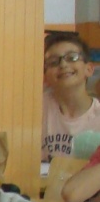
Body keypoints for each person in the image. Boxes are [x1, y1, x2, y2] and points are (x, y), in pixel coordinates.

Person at [40, 30, 100, 161]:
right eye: (53, 62)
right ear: (45, 76)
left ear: (89, 69)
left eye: (72, 58)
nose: (63, 65)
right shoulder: (37, 109)